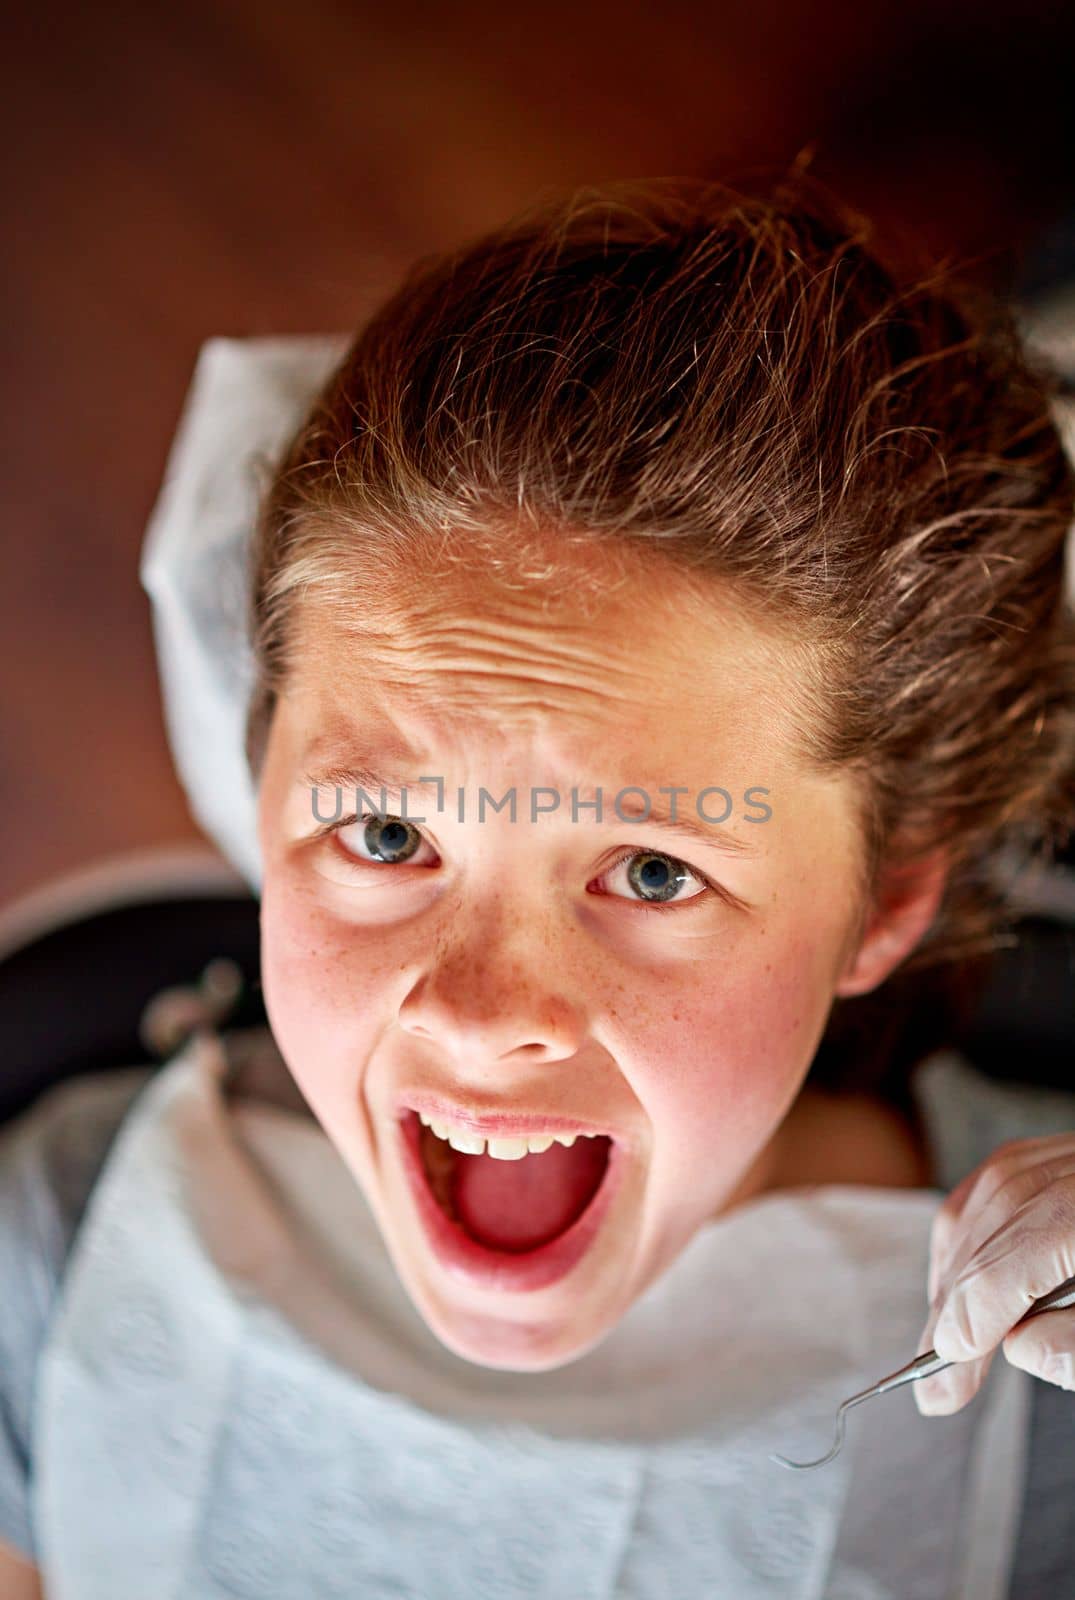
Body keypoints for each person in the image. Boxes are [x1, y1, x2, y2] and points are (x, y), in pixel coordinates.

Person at [2, 166, 1074, 1599]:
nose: (479, 1013)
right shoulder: (56, 1253)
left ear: (884, 902)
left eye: (649, 868)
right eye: (388, 838)